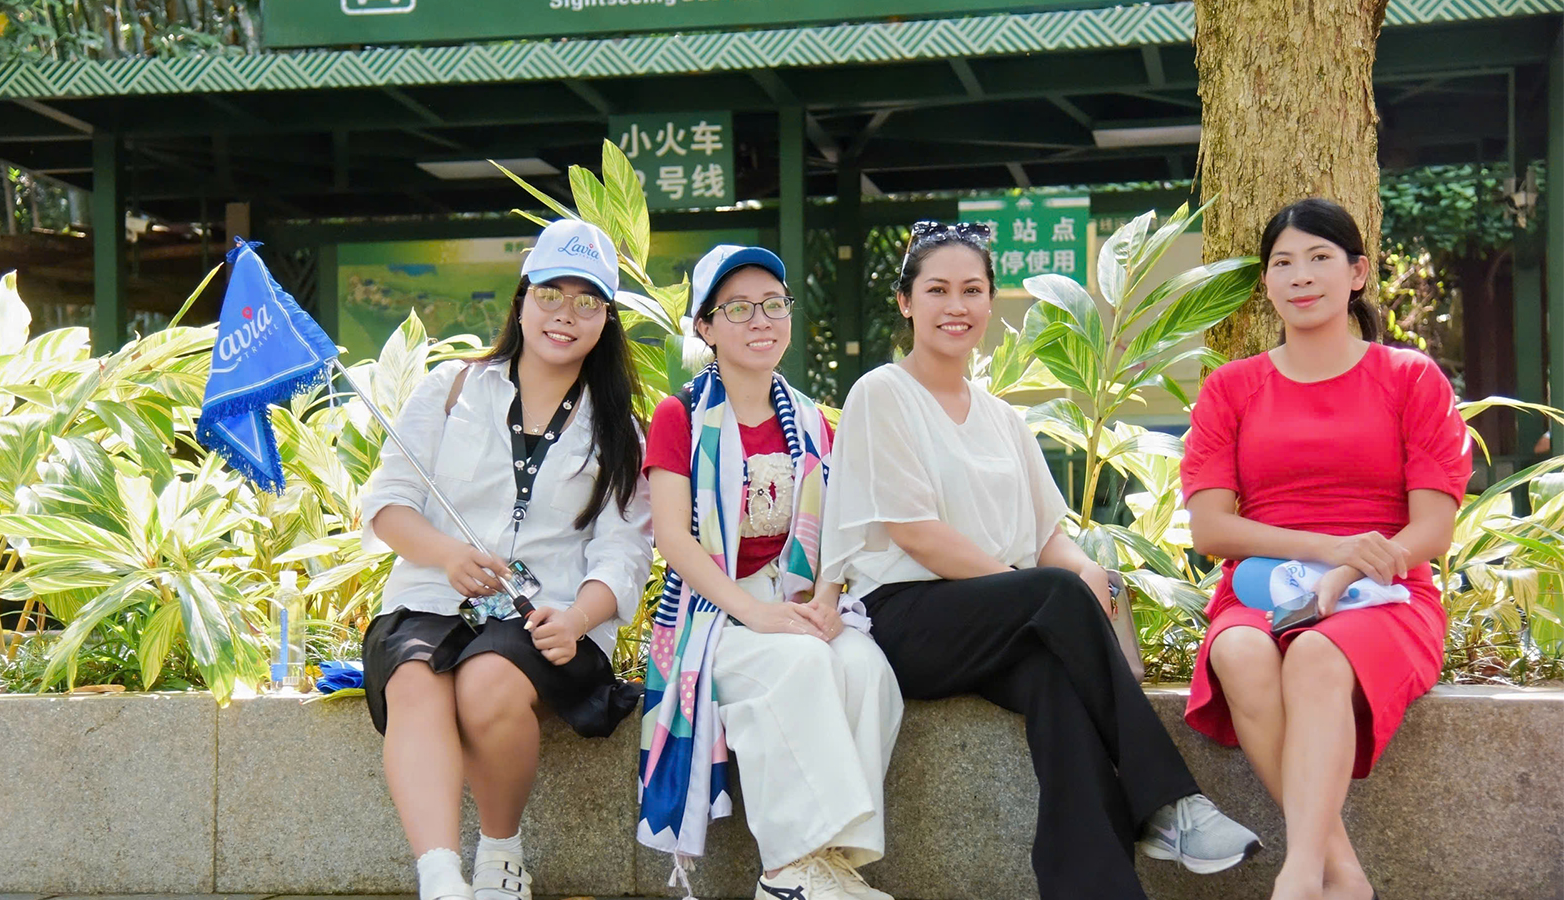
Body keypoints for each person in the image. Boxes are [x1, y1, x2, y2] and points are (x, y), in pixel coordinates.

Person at [820, 221, 1261, 900]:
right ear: (906, 302)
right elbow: (917, 534)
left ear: (990, 301)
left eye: (972, 290)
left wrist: (1087, 576)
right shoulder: (882, 393)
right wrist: (1038, 592)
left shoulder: (1002, 418)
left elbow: (1047, 535)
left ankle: (1097, 889)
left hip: (1004, 618)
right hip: (906, 618)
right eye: (937, 290)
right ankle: (1169, 802)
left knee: (1056, 682)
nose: (956, 306)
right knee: (1051, 595)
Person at [1181, 198, 1473, 900]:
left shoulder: (1411, 379)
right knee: (1239, 651)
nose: (1301, 276)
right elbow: (1210, 529)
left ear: (1358, 273)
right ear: (1267, 282)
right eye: (1283, 263)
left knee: (1317, 652)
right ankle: (1342, 875)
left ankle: (1300, 878)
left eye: (1319, 258)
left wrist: (1349, 571)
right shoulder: (1231, 388)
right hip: (1263, 588)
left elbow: (1432, 531)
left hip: (1385, 592)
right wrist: (1327, 550)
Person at [358, 219, 654, 900]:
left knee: (486, 680)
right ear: (522, 300)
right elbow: (389, 503)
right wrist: (447, 554)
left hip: (549, 618)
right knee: (413, 679)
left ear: (606, 320)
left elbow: (625, 552)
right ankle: (440, 878)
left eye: (587, 301)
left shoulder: (621, 429)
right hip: (434, 597)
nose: (565, 314)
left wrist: (579, 618)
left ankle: (500, 856)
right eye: (550, 294)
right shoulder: (451, 388)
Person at [638, 244, 903, 900]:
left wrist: (826, 601)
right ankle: (786, 872)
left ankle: (830, 862)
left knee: (866, 668)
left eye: (774, 305)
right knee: (801, 665)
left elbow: (839, 528)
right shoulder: (680, 416)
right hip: (712, 615)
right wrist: (755, 612)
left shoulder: (810, 420)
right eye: (738, 308)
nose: (761, 320)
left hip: (793, 600)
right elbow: (673, 538)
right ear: (705, 328)